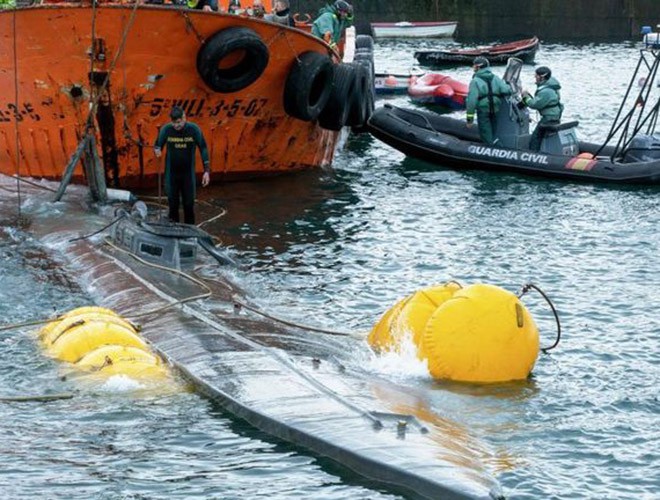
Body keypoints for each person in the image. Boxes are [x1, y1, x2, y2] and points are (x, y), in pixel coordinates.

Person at [154, 106, 210, 225]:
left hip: (187, 175)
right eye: (174, 123)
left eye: (178, 122)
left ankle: (190, 234)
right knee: (173, 205)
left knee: (188, 205)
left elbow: (203, 147)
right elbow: (157, 144)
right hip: (172, 175)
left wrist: (206, 171)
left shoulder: (194, 129)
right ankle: (173, 234)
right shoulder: (166, 130)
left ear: (184, 118)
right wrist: (157, 150)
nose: (176, 126)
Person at [465, 56, 512, 145]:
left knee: (486, 135)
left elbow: (471, 102)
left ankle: (496, 151)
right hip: (496, 110)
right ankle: (497, 147)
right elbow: (506, 90)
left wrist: (469, 120)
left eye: (474, 66)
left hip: (483, 111)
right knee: (493, 132)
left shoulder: (475, 81)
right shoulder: (496, 78)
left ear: (478, 67)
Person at [523, 66, 564, 151]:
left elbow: (534, 105)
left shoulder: (546, 91)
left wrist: (525, 97)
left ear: (542, 77)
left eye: (536, 76)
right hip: (555, 115)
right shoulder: (551, 86)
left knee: (536, 137)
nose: (535, 77)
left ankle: (533, 154)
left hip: (549, 117)